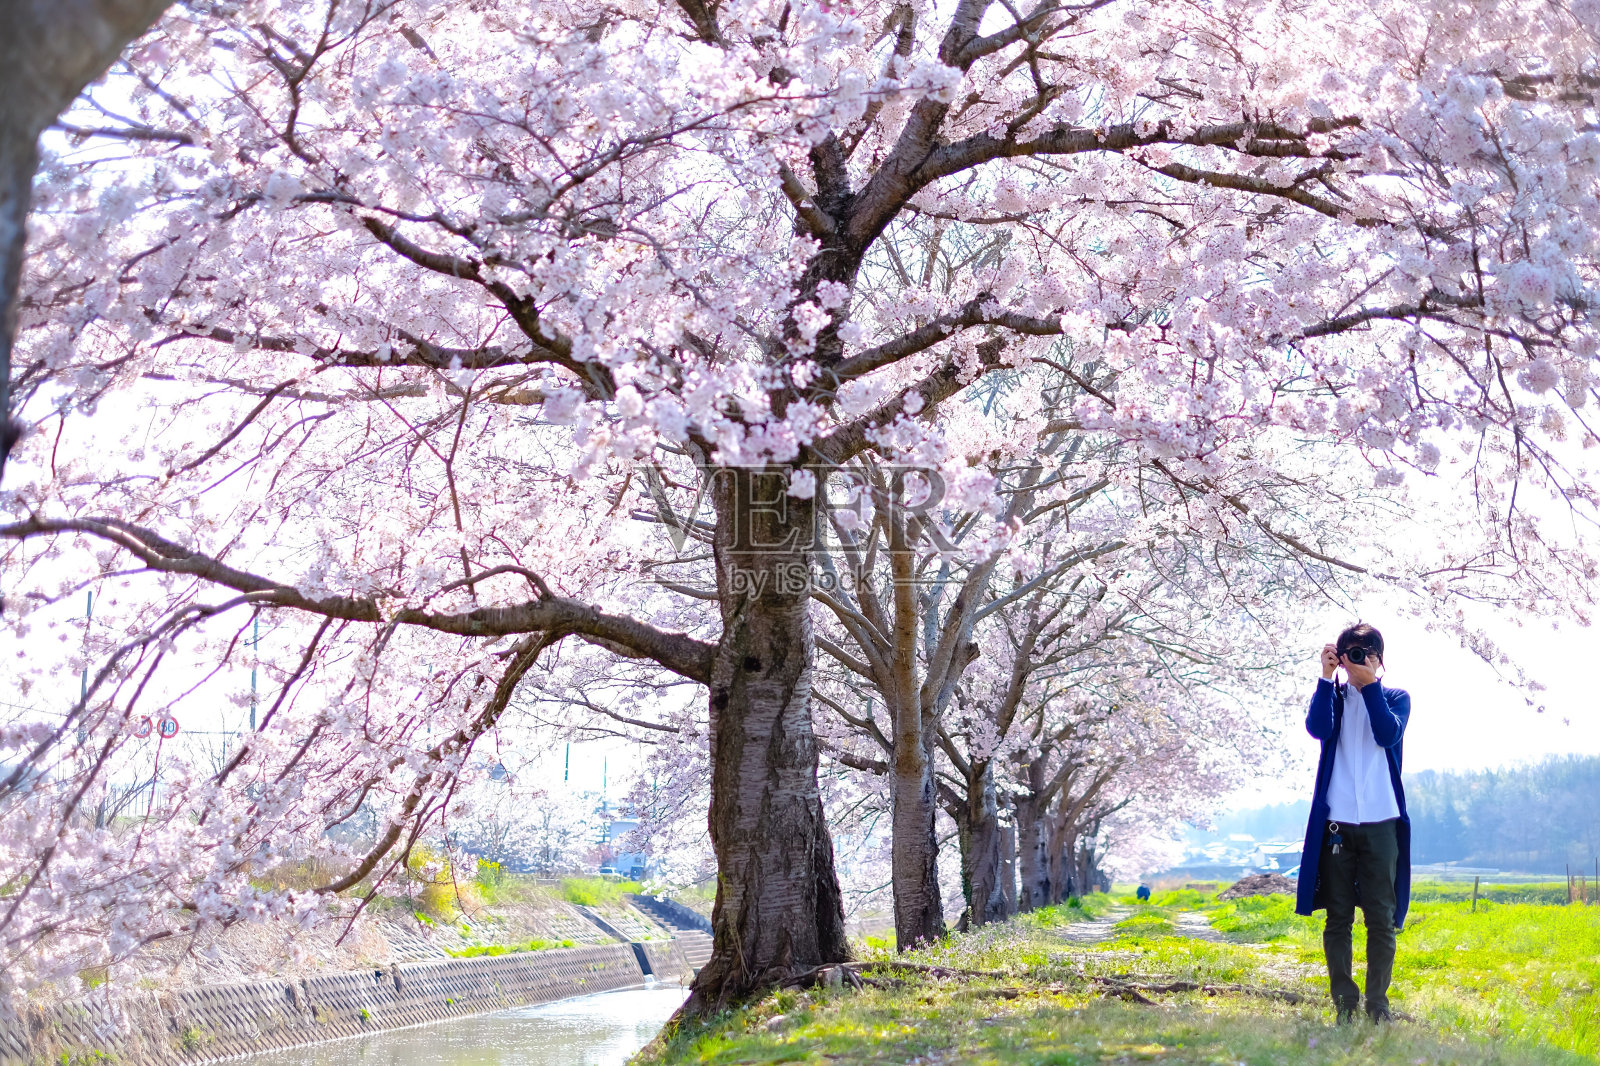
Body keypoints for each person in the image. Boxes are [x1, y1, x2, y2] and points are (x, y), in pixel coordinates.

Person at [1294, 622, 1412, 1024]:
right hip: (1337, 825)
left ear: (1380, 658)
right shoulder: (1334, 699)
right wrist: (1326, 679)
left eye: (1368, 652)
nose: (1360, 659)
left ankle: (1378, 1005)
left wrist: (1370, 685)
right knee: (1339, 915)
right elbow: (1317, 729)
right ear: (1341, 657)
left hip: (1382, 823)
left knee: (1381, 917)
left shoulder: (1395, 698)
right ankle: (1344, 1003)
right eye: (1352, 653)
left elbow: (1386, 734)